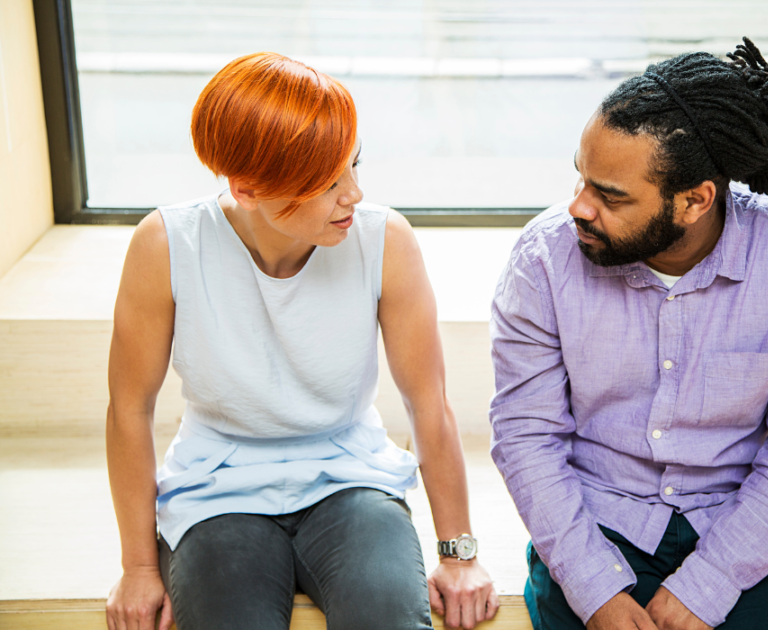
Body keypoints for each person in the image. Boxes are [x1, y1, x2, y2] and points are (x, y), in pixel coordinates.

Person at [489, 33, 768, 630]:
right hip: (593, 524)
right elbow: (526, 436)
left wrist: (710, 583)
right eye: (581, 179)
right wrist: (594, 591)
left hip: (737, 526)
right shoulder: (543, 260)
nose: (578, 208)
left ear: (695, 201)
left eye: (610, 196)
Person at [105, 52, 498, 630]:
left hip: (351, 477)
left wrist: (457, 551)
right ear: (246, 188)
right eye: (326, 183)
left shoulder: (384, 240)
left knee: (388, 617)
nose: (354, 195)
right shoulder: (167, 245)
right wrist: (138, 567)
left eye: (353, 167)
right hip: (217, 488)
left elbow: (427, 401)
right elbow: (129, 410)